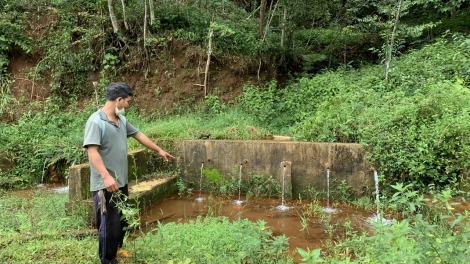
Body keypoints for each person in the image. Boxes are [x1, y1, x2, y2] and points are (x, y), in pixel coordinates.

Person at [83, 82, 175, 264]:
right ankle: (107, 259)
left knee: (121, 219)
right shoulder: (96, 122)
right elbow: (92, 152)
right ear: (119, 100)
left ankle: (118, 248)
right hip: (105, 183)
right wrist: (107, 176)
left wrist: (159, 150)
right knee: (108, 222)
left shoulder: (121, 120)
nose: (128, 106)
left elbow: (139, 135)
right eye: (128, 102)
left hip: (121, 181)